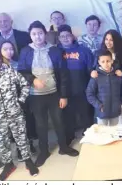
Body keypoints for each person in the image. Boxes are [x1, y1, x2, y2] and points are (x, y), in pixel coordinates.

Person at [18, 21, 79, 168]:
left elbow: (63, 74)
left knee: (59, 120)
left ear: (45, 34)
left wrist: (63, 95)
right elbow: (21, 71)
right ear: (30, 35)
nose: (37, 36)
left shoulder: (54, 50)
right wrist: (33, 80)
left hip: (54, 93)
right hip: (35, 95)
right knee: (41, 124)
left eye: (40, 33)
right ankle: (44, 151)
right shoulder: (26, 51)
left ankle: (63, 147)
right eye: (34, 34)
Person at [0, 46, 38, 180]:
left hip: (15, 113)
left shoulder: (9, 71)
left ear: (0, 58)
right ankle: (9, 164)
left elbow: (25, 84)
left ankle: (28, 161)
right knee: (2, 141)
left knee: (22, 138)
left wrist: (21, 100)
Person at [0, 40, 37, 160]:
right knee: (12, 127)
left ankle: (28, 144)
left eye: (11, 49)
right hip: (6, 102)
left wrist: (22, 98)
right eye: (5, 49)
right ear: (0, 50)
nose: (9, 52)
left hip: (22, 98)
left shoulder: (17, 63)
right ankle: (19, 150)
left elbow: (24, 81)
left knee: (25, 123)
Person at [57, 24, 94, 145]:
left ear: (72, 36)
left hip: (82, 88)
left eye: (68, 35)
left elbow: (91, 70)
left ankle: (89, 135)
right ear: (59, 38)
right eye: (62, 36)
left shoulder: (84, 50)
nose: (65, 38)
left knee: (86, 115)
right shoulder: (55, 51)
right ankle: (69, 136)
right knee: (67, 117)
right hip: (64, 91)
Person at [86, 50, 122, 126]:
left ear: (112, 61)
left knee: (114, 133)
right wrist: (99, 105)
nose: (106, 64)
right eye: (103, 62)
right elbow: (89, 94)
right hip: (102, 112)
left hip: (115, 111)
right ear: (99, 62)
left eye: (108, 61)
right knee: (103, 134)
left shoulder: (117, 75)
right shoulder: (96, 76)